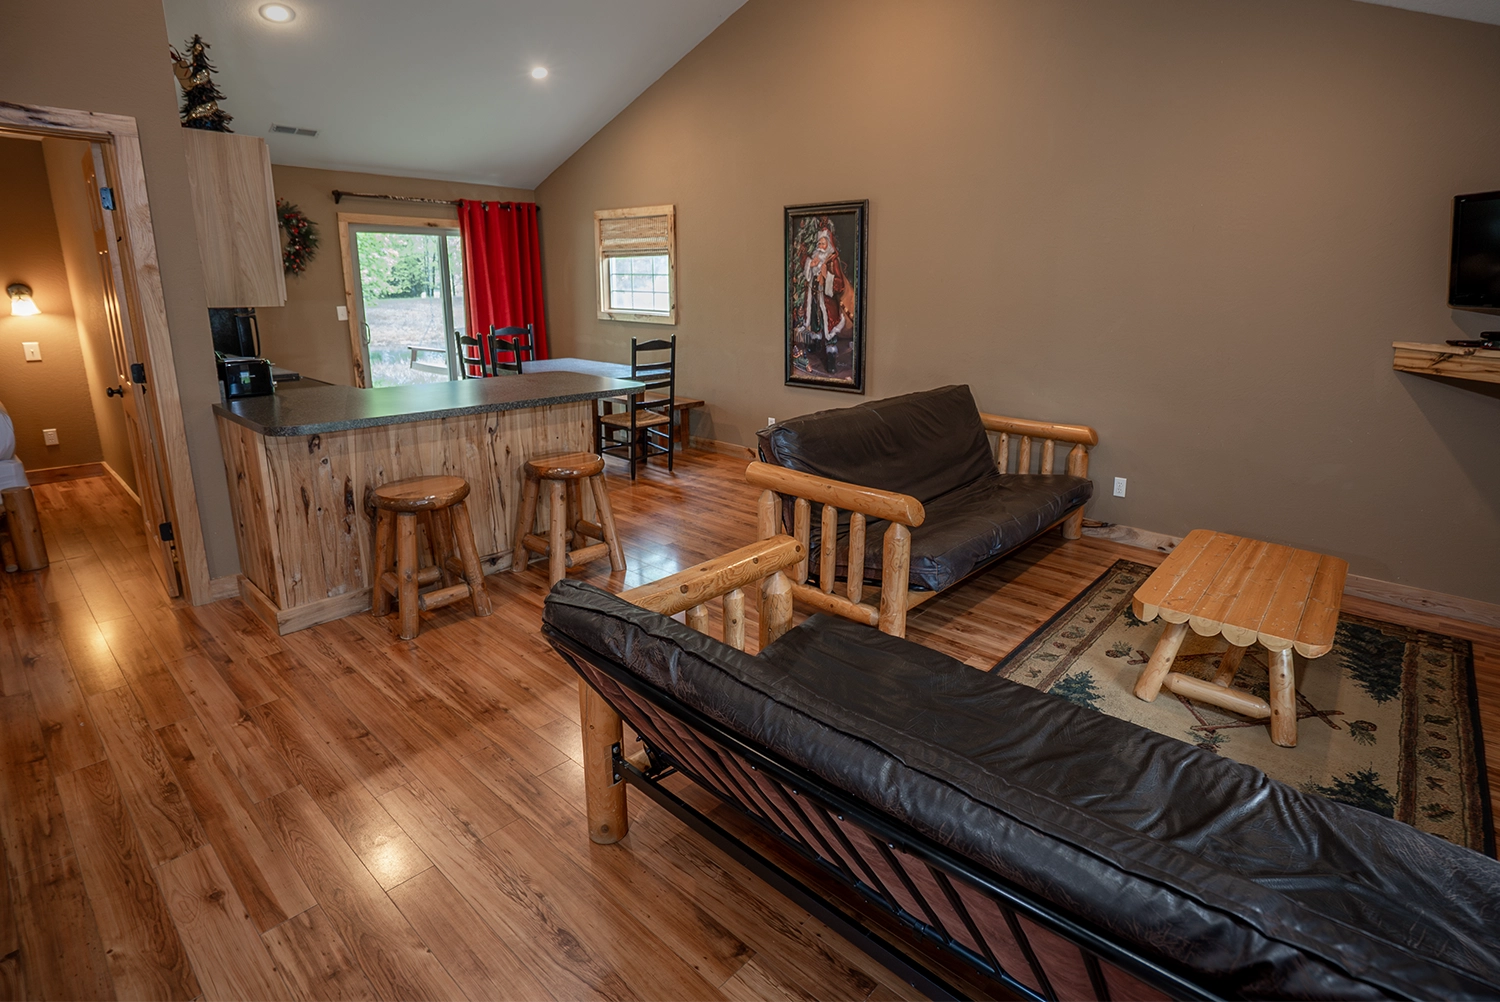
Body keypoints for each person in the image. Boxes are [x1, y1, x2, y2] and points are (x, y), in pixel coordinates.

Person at [798, 221, 855, 373]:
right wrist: (810, 265)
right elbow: (805, 264)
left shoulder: (832, 261)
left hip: (828, 302)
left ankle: (831, 357)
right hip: (814, 298)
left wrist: (826, 276)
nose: (820, 246)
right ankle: (816, 344)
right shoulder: (815, 257)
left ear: (828, 244)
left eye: (823, 243)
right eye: (819, 243)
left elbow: (839, 284)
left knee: (829, 326)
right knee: (816, 323)